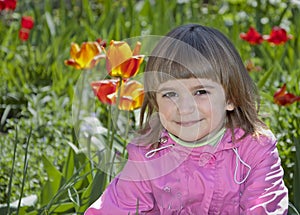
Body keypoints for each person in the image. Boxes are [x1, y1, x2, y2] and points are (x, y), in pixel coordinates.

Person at [85, 24, 289, 214]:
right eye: (170, 94)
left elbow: (264, 206)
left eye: (200, 91)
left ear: (230, 97)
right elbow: (115, 208)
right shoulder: (147, 157)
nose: (184, 107)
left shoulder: (255, 149)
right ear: (156, 102)